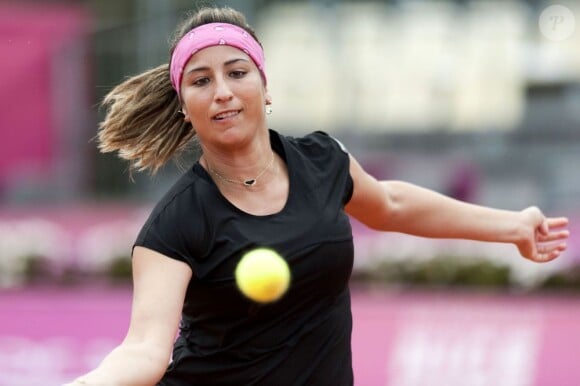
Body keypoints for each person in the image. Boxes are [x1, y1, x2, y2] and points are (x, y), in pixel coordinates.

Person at [64, 6, 569, 386]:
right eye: (201, 80)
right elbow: (145, 352)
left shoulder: (322, 161)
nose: (221, 90)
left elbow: (390, 205)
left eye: (237, 72)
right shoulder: (175, 223)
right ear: (184, 107)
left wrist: (512, 226)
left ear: (264, 86)